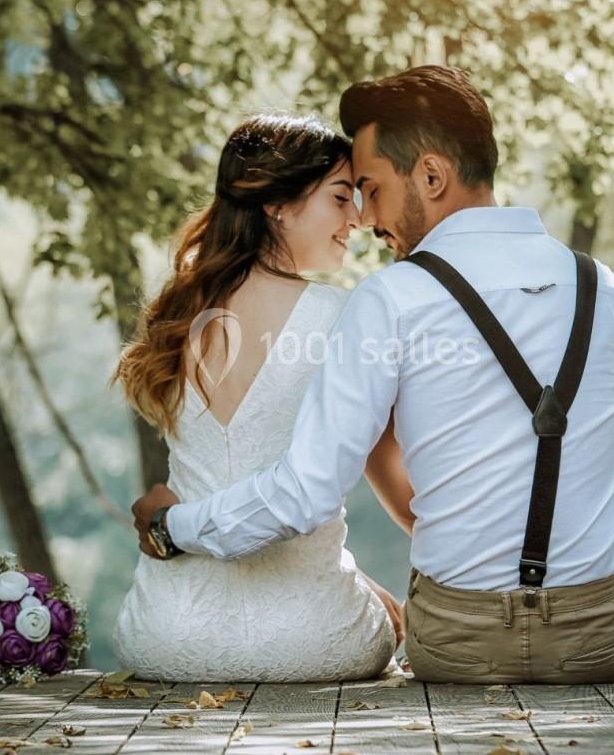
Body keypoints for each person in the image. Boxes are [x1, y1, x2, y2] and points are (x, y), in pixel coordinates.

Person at [134, 66, 614, 684]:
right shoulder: (606, 290)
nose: (366, 217)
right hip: (604, 641)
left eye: (371, 189)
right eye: (349, 194)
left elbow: (305, 491)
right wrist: (579, 498)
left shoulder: (387, 300)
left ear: (431, 176)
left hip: (453, 646)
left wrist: (174, 525)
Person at [109, 113, 411, 682]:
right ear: (277, 204)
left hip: (166, 636)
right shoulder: (344, 316)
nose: (358, 218)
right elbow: (397, 490)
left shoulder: (177, 316)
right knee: (384, 625)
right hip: (312, 639)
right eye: (341, 197)